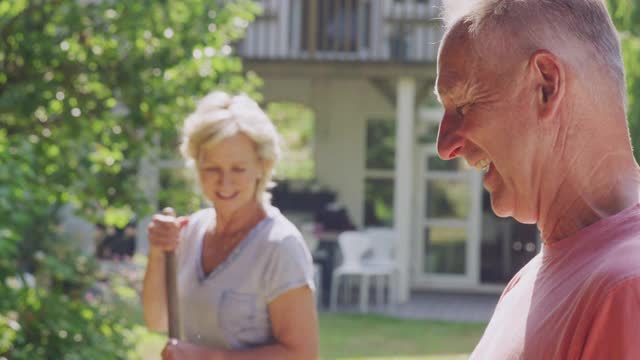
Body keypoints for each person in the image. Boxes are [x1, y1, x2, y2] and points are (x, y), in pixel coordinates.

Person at [435, 1, 640, 359]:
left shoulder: (625, 289)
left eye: (464, 106)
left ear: (546, 85)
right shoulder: (530, 281)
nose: (446, 146)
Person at [142, 91, 319, 359]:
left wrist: (205, 357)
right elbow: (157, 320)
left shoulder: (279, 246)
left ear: (263, 166)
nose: (224, 183)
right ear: (196, 165)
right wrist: (158, 252)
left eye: (238, 169)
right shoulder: (189, 232)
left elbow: (302, 354)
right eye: (212, 168)